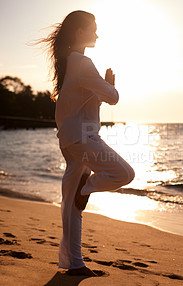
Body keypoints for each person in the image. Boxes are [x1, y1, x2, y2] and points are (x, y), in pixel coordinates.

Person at [36, 10, 135, 276]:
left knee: (71, 207)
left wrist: (101, 88)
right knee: (124, 173)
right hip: (83, 138)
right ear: (80, 32)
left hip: (70, 139)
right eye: (92, 28)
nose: (97, 33)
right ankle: (86, 189)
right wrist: (108, 85)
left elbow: (87, 100)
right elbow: (113, 98)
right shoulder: (82, 62)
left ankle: (74, 264)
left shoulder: (69, 62)